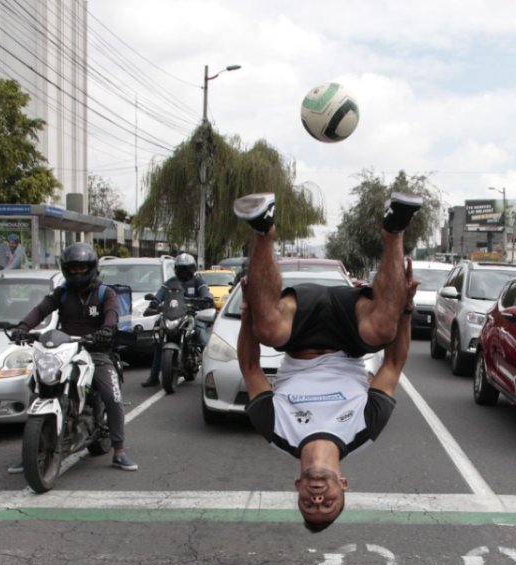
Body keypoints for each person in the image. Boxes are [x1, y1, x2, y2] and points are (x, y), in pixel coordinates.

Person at [234, 191, 422, 532]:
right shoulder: (364, 430)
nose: (317, 498)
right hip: (349, 332)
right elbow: (393, 365)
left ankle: (263, 228)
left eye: (309, 503)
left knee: (267, 330)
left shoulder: (277, 431)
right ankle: (394, 228)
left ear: (297, 487)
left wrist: (249, 312)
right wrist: (406, 309)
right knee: (384, 328)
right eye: (328, 502)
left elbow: (250, 367)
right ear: (344, 484)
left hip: (299, 331)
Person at [7, 242, 137, 472]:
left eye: (82, 268)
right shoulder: (62, 293)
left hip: (96, 351)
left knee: (112, 397)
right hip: (65, 350)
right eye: (73, 268)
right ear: (66, 269)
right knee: (38, 390)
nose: (77, 272)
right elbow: (40, 310)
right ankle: (32, 450)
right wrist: (22, 327)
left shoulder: (105, 293)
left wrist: (106, 330)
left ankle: (119, 450)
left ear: (92, 268)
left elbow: (111, 315)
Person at [141, 253, 215, 388]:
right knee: (158, 341)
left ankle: (212, 377)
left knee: (203, 340)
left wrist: (206, 299)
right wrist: (154, 302)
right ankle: (153, 377)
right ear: (176, 269)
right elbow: (160, 294)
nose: (184, 272)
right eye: (181, 268)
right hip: (172, 314)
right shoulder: (171, 282)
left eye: (187, 268)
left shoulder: (198, 281)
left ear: (193, 268)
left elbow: (205, 293)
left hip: (193, 315)